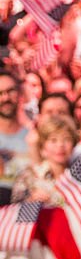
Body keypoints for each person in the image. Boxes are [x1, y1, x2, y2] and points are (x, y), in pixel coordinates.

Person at [11, 115, 77, 204]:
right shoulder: (28, 176)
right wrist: (31, 201)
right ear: (42, 147)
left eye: (66, 139)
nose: (60, 145)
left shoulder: (80, 176)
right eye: (53, 140)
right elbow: (14, 210)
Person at [0, 70, 31, 205]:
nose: (5, 98)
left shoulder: (33, 137)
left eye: (10, 91)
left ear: (19, 94)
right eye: (0, 93)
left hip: (26, 213)